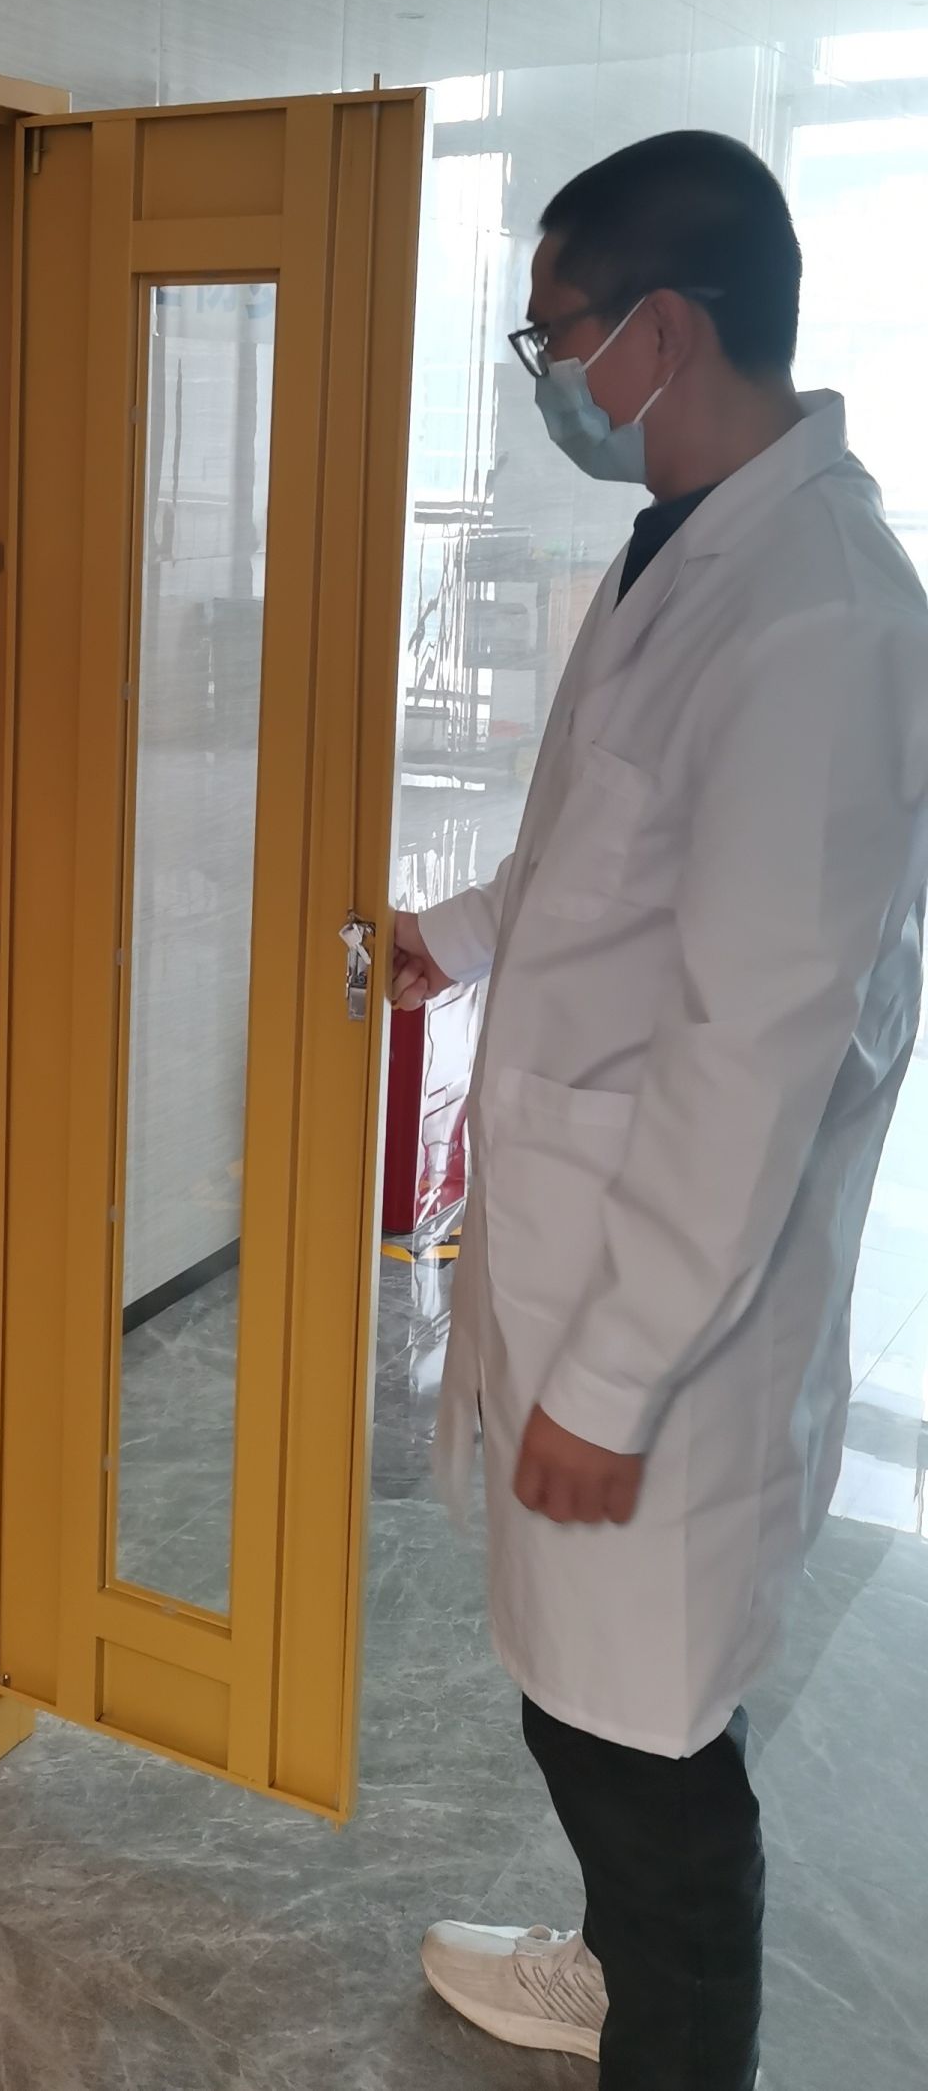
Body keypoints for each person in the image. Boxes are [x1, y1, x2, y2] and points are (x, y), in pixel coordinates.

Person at [391, 132, 928, 2091]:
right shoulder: (684, 545)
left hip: (668, 1326)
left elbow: (753, 1052)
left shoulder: (820, 616)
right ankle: (613, 1971)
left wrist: (612, 1385)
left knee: (647, 1765)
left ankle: (665, 2020)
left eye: (557, 338)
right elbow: (596, 850)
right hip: (588, 1256)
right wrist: (449, 939)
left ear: (664, 332)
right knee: (593, 1714)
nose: (548, 379)